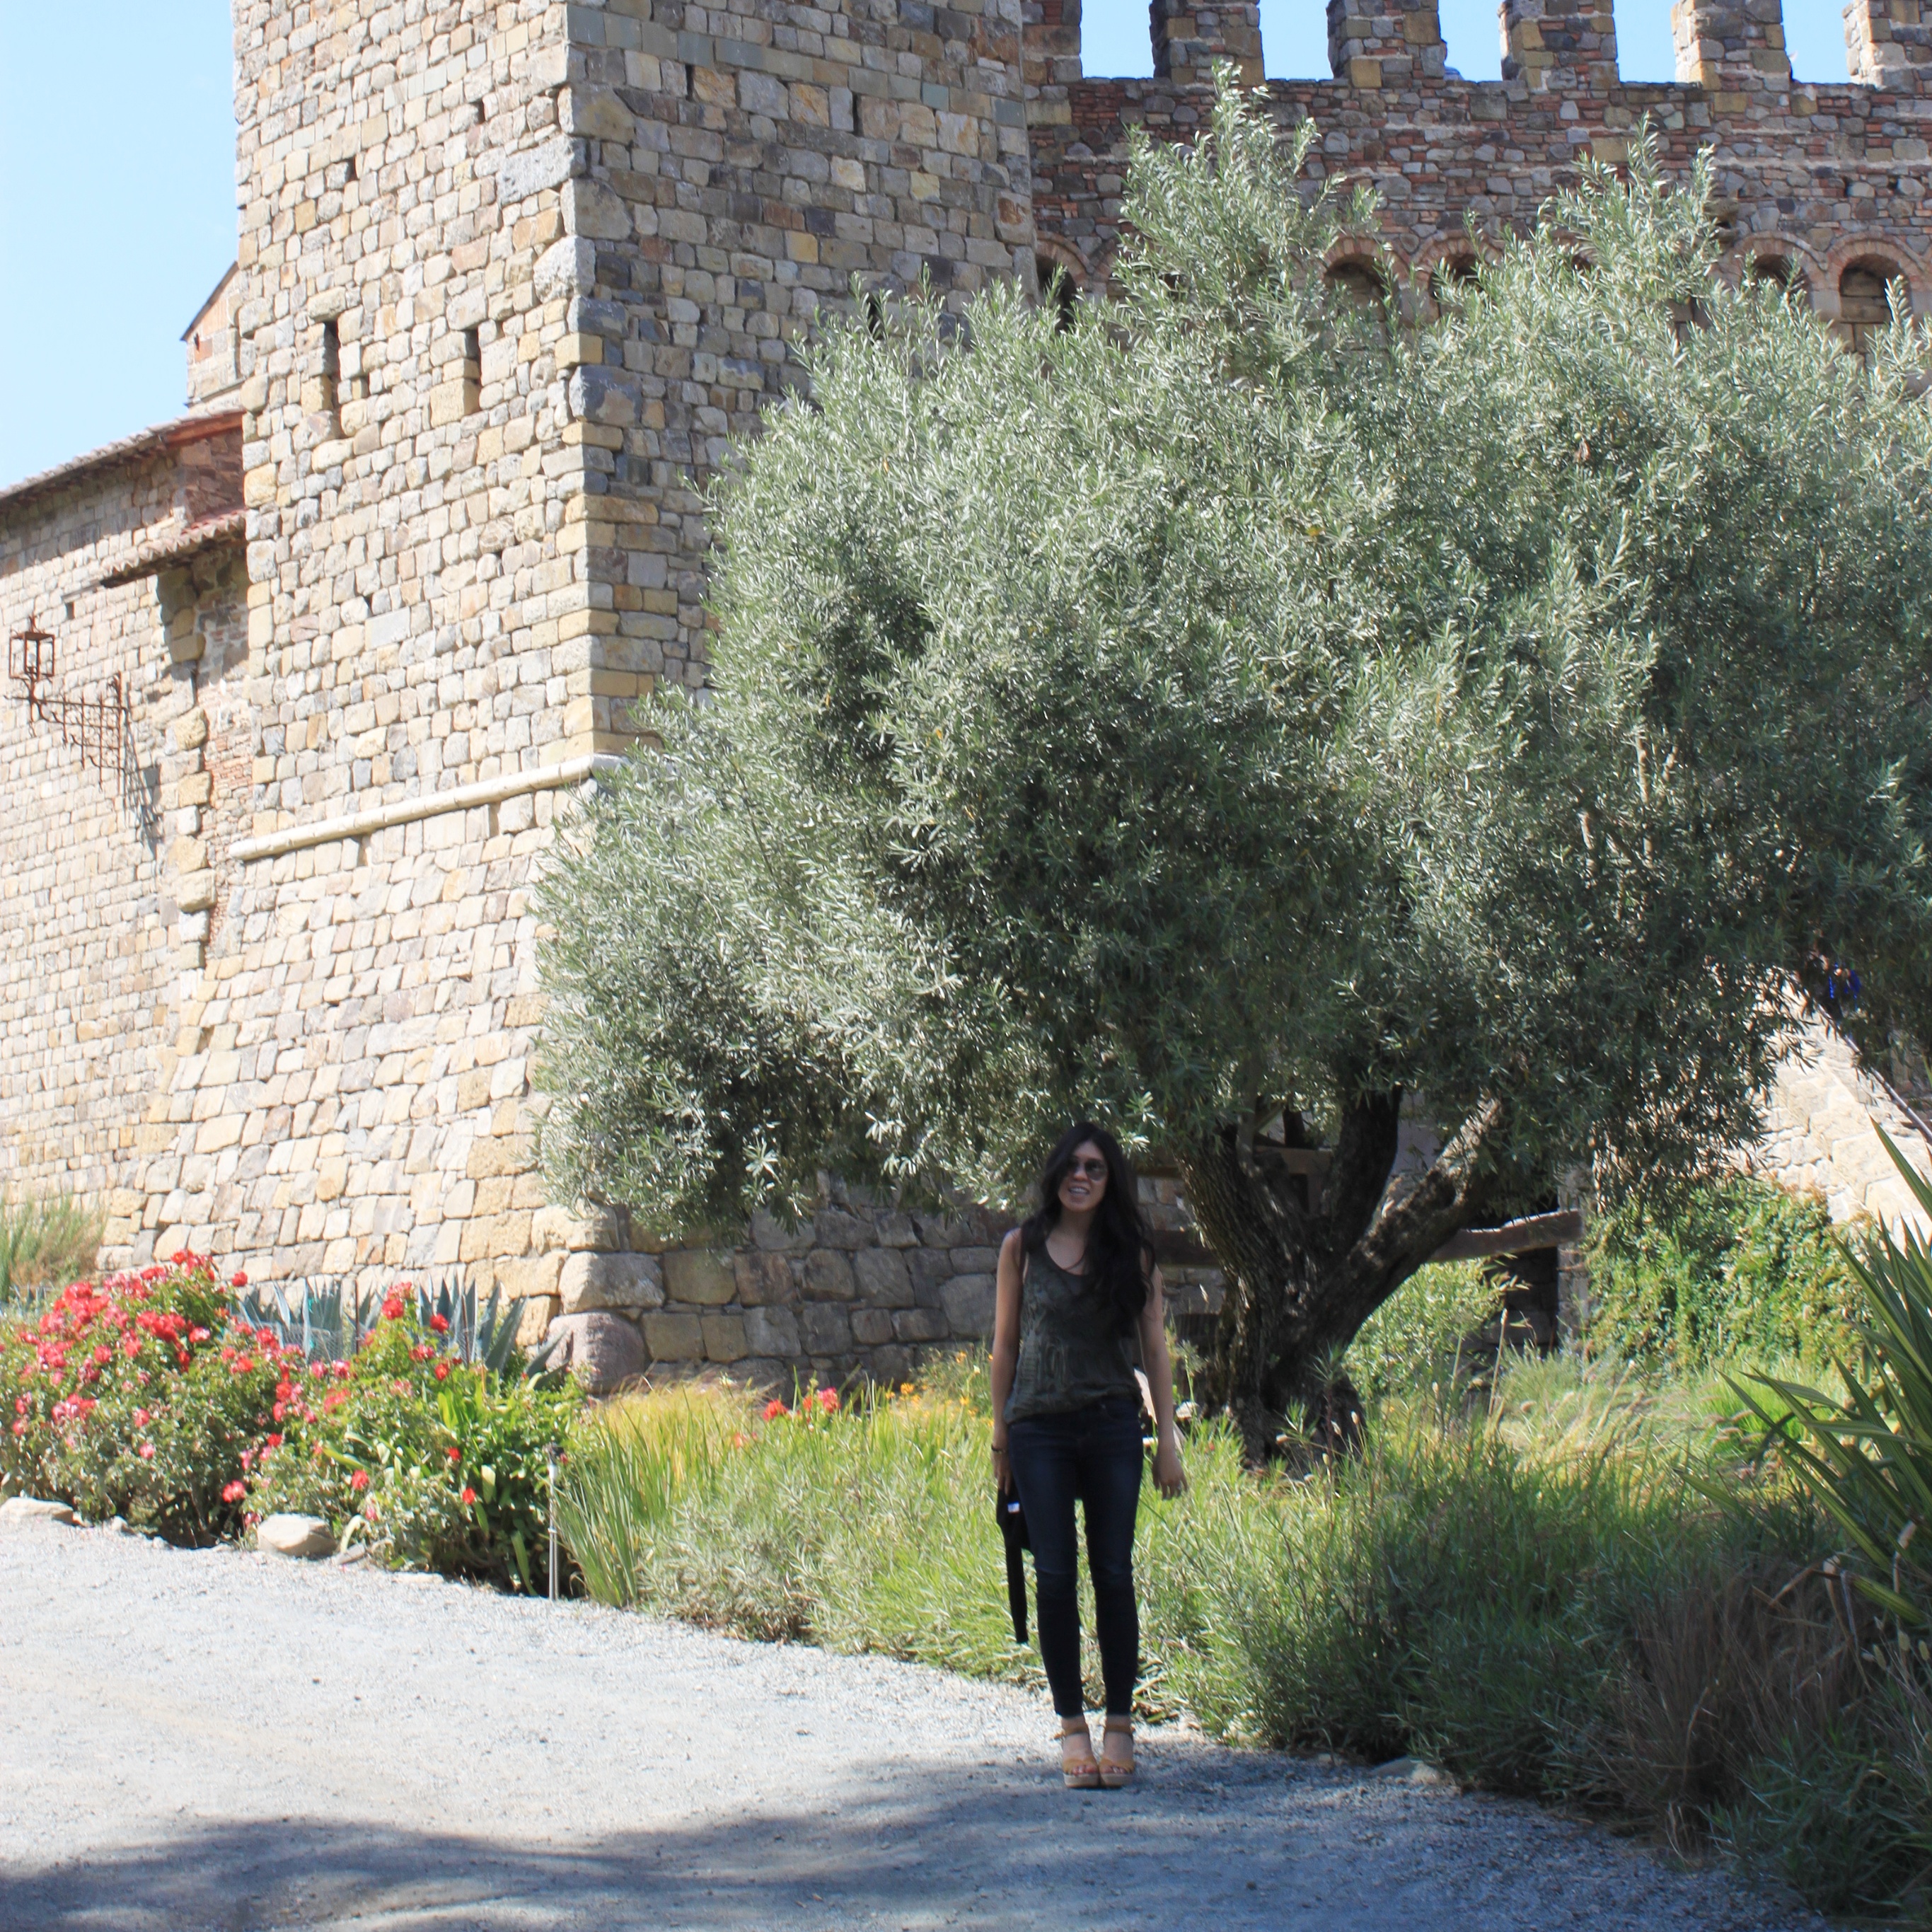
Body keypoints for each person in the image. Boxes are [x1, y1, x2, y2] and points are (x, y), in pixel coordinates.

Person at [990, 1121, 1187, 1790]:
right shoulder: (1021, 1248)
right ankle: (1070, 1725)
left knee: (1112, 1572)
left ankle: (1119, 1724)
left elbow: (1154, 1349)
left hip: (1109, 1425)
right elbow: (1006, 1347)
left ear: (1111, 1180)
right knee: (1054, 1573)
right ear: (1055, 1172)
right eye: (1072, 1165)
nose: (1081, 1176)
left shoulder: (1131, 1253)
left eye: (1096, 1168)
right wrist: (999, 1437)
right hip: (1038, 1429)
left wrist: (1168, 1440)